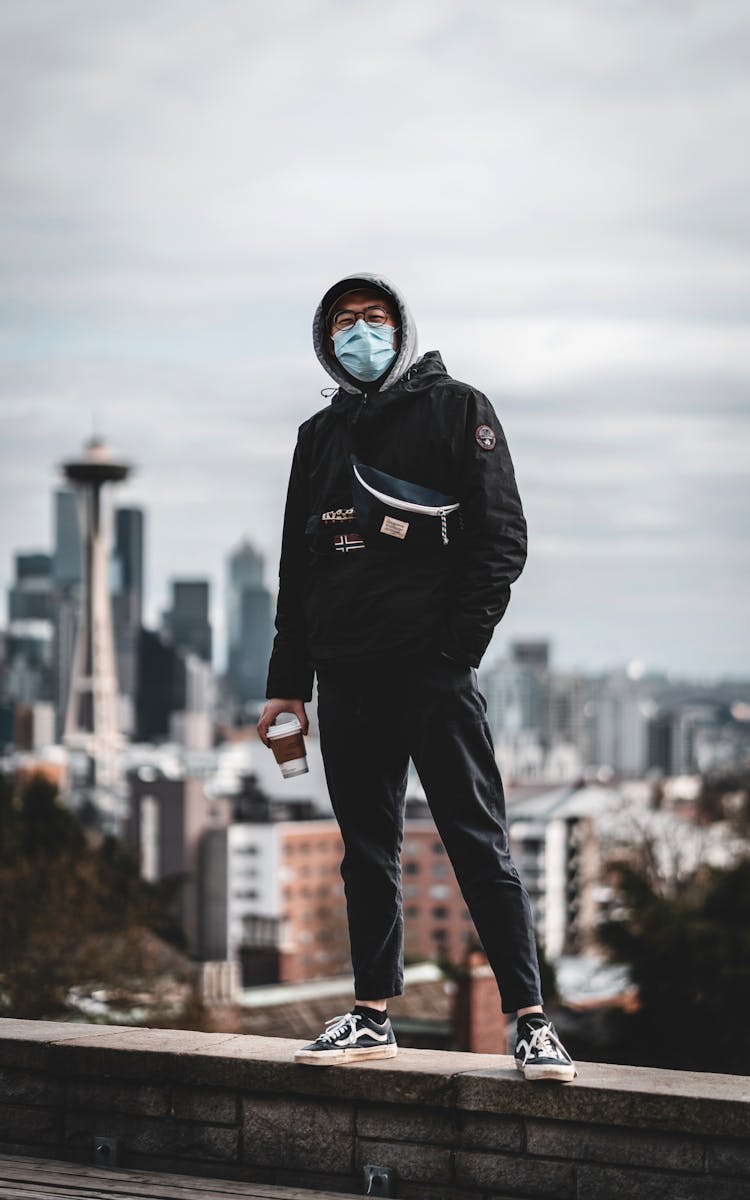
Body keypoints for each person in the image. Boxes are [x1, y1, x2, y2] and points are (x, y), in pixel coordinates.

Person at [258, 272, 576, 1083]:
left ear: (401, 328)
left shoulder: (458, 409)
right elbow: (299, 570)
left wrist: (453, 652)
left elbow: (501, 540)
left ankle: (531, 1022)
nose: (358, 333)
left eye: (373, 318)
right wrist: (286, 683)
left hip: (432, 677)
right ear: (324, 342)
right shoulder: (318, 435)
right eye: (342, 323)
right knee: (366, 853)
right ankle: (372, 1015)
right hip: (345, 678)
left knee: (479, 844)